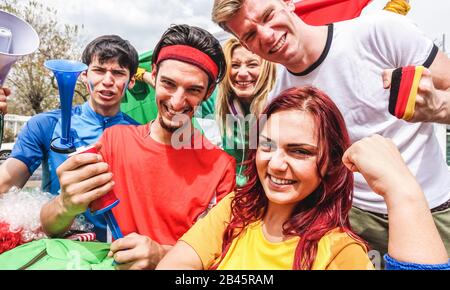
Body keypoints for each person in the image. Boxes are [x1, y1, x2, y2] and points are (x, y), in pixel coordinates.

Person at [211, 0, 450, 262]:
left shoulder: (382, 32)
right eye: (250, 35)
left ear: (288, 3)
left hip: (432, 209)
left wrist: (438, 108)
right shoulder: (280, 100)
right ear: (244, 45)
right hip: (352, 223)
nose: (266, 35)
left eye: (268, 16)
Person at [157, 87, 450, 270]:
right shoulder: (236, 208)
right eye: (267, 145)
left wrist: (402, 190)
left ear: (331, 163)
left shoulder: (340, 251)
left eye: (300, 152)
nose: (276, 163)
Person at [40, 24, 236, 270]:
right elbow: (50, 227)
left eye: (193, 90)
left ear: (208, 93)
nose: (176, 101)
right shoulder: (115, 140)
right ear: (153, 74)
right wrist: (65, 204)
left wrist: (161, 254)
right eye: (168, 84)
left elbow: (221, 252)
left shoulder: (221, 166)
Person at [0, 35, 140, 241]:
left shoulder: (141, 133)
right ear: (84, 75)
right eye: (99, 70)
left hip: (118, 252)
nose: (108, 81)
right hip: (58, 250)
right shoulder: (44, 124)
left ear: (131, 81)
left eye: (118, 73)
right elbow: (4, 186)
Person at [214, 38, 276, 185]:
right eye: (235, 65)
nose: (242, 73)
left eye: (252, 64)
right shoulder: (217, 99)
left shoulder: (280, 105)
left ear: (266, 69)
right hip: (232, 192)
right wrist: (147, 73)